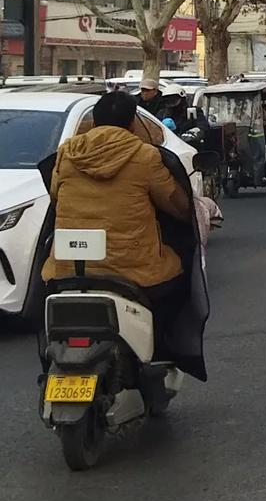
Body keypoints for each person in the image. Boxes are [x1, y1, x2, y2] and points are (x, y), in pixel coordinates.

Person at [44, 88, 196, 342]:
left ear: (93, 123)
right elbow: (178, 207)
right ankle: (160, 350)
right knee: (178, 276)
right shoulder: (145, 156)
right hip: (133, 271)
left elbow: (55, 197)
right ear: (132, 125)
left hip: (68, 267)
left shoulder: (67, 154)